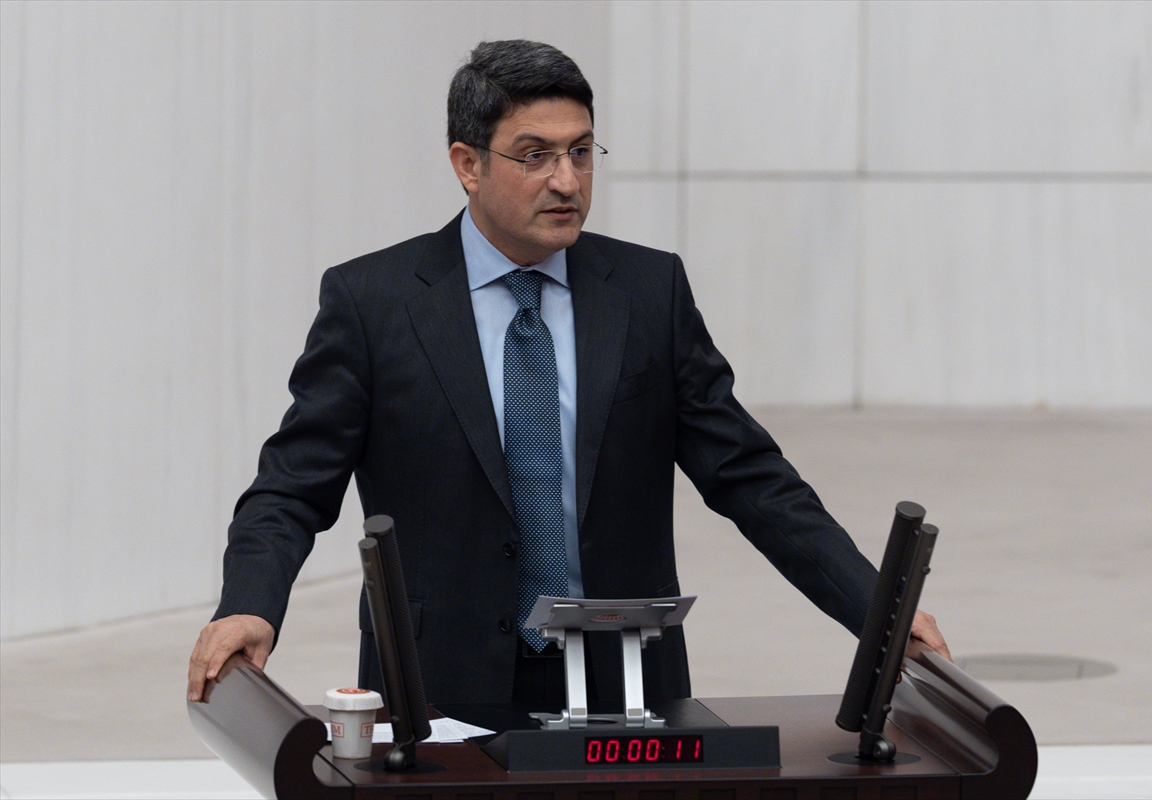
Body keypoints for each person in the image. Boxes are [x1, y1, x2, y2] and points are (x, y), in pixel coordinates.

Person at [188, 40, 948, 708]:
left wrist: (875, 608)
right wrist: (250, 604)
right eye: (535, 155)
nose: (567, 180)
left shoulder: (648, 293)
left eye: (581, 152)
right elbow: (292, 484)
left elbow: (751, 477)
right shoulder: (373, 302)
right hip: (437, 681)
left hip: (626, 684)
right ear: (467, 164)